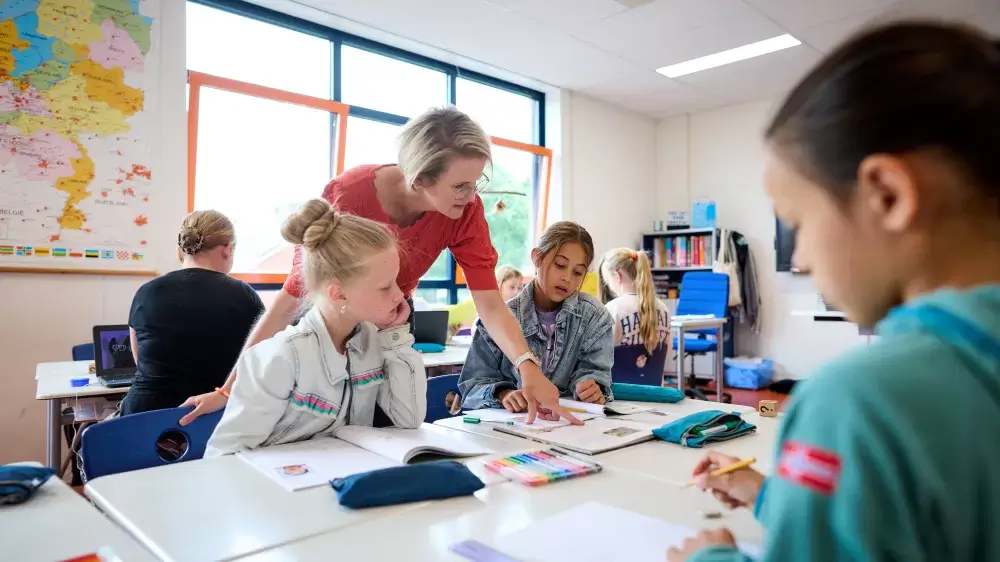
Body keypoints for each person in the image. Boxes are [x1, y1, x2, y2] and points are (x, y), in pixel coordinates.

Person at [668, 22, 1000, 562]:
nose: (798, 257)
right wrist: (779, 497)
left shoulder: (860, 401)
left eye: (799, 223)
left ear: (888, 196)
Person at [181, 107, 578, 426]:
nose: (472, 196)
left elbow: (490, 304)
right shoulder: (351, 194)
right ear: (421, 177)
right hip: (336, 324)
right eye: (461, 185)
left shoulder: (464, 212)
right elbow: (291, 301)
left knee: (394, 423)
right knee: (320, 422)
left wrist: (527, 364)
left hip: (392, 322)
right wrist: (229, 390)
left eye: (477, 183)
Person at [205, 200, 424, 456]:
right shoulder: (280, 357)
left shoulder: (376, 342)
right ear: (339, 294)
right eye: (385, 287)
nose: (399, 295)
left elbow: (409, 420)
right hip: (278, 488)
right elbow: (223, 455)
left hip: (341, 483)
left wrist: (395, 338)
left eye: (395, 282)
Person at [120, 211, 264, 416]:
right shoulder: (244, 295)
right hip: (214, 422)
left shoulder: (146, 292)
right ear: (227, 250)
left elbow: (141, 363)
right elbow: (259, 363)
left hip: (145, 421)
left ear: (180, 251)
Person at [459, 221, 614, 411]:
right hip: (509, 429)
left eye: (577, 272)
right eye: (560, 265)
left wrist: (591, 387)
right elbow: (471, 387)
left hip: (568, 427)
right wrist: (503, 394)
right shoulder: (497, 319)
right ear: (537, 257)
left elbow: (597, 373)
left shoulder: (594, 316)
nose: (567, 278)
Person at [598, 248, 670, 353]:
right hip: (654, 370)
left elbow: (599, 355)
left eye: (608, 281)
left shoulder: (612, 309)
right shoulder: (664, 308)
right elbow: (665, 354)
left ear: (618, 276)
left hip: (618, 370)